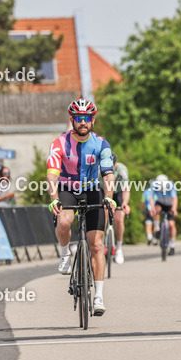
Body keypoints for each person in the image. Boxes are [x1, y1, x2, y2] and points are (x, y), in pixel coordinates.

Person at [46, 98, 116, 316]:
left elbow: (108, 174)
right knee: (65, 220)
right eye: (78, 118)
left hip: (91, 189)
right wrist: (54, 197)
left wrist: (110, 197)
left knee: (96, 245)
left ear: (92, 120)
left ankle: (98, 297)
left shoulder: (101, 144)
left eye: (86, 118)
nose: (82, 122)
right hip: (67, 189)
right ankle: (65, 253)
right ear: (72, 120)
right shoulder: (59, 143)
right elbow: (52, 173)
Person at [109, 154, 130, 263]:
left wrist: (125, 204)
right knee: (101, 215)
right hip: (103, 190)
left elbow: (126, 189)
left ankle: (119, 248)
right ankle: (101, 243)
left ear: (115, 164)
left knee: (119, 219)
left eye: (111, 165)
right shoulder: (98, 169)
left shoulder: (122, 170)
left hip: (118, 192)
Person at [150, 174, 178, 254]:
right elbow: (151, 198)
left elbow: (175, 198)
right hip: (160, 203)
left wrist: (174, 208)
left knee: (171, 224)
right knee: (156, 209)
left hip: (169, 204)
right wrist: (152, 208)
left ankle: (172, 245)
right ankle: (157, 228)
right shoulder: (153, 184)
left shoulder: (171, 184)